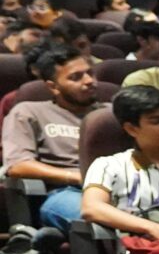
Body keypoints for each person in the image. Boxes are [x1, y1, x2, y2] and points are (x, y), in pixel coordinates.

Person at [3, 48, 97, 230]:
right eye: (76, 77)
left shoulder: (111, 113)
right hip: (65, 191)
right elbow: (18, 165)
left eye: (90, 73)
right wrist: (76, 177)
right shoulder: (30, 112)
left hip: (122, 188)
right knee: (103, 216)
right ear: (53, 87)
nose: (89, 81)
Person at [79, 83, 159, 246]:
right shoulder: (109, 165)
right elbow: (91, 207)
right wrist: (152, 228)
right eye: (157, 121)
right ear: (131, 129)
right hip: (145, 252)